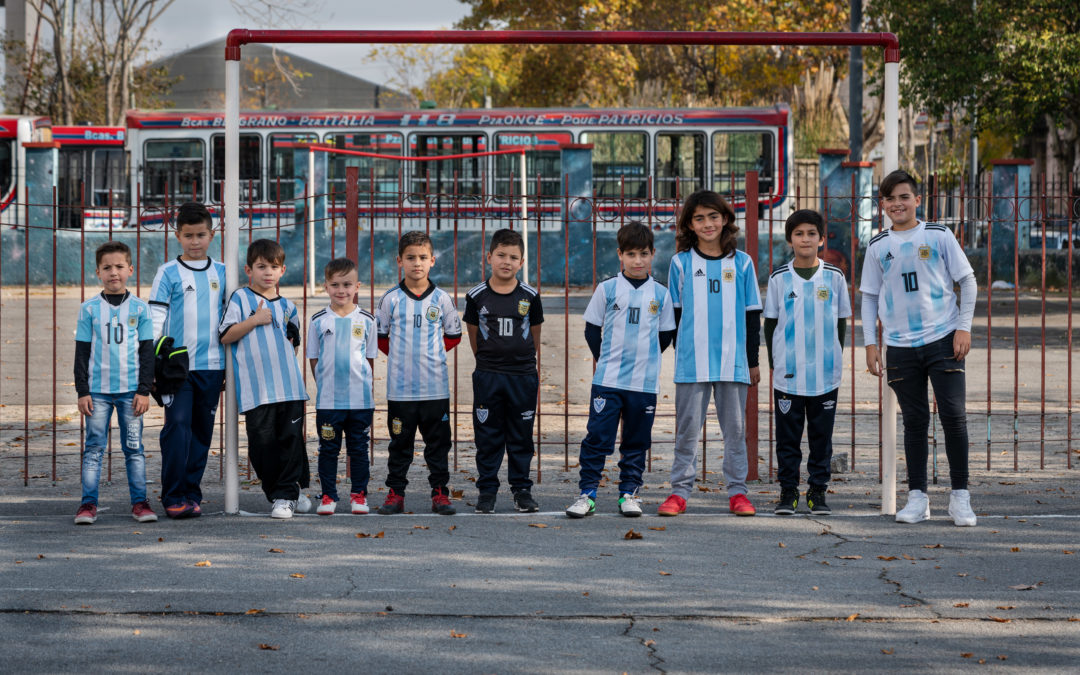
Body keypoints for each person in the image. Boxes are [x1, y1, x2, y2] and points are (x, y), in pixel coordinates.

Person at [861, 170, 978, 526]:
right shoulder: (878, 246)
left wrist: (963, 328)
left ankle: (960, 498)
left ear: (917, 200)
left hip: (943, 338)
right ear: (882, 205)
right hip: (899, 345)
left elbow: (967, 281)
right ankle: (917, 498)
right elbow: (868, 297)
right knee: (914, 421)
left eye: (904, 197)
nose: (897, 204)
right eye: (890, 199)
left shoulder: (939, 235)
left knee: (954, 418)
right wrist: (870, 343)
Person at [659, 190, 762, 517]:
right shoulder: (680, 263)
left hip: (733, 363)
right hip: (692, 363)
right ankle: (679, 492)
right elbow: (674, 316)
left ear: (726, 219)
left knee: (735, 430)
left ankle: (738, 493)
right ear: (689, 223)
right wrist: (679, 353)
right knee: (687, 429)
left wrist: (753, 360)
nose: (707, 224)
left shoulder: (743, 263)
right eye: (699, 218)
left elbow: (751, 315)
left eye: (713, 216)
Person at [565, 222, 675, 518]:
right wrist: (606, 359)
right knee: (598, 438)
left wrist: (646, 359)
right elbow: (591, 330)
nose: (637, 260)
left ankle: (629, 493)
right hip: (609, 381)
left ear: (653, 254)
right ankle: (586, 494)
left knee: (636, 441)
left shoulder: (661, 294)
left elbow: (665, 336)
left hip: (644, 384)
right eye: (630, 254)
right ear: (620, 255)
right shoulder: (608, 289)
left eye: (643, 254)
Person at [763, 209, 851, 516]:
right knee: (788, 438)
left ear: (822, 239)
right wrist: (776, 362)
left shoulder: (835, 277)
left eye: (811, 233)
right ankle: (788, 492)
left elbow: (841, 323)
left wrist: (833, 359)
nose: (805, 239)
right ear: (790, 240)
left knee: (820, 438)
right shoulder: (778, 278)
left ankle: (817, 491)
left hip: (825, 374)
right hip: (789, 374)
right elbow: (771, 324)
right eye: (799, 233)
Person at [219, 239, 311, 519]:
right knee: (262, 446)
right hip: (256, 389)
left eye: (273, 267)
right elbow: (225, 335)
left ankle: (286, 495)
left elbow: (292, 344)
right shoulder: (240, 298)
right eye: (261, 266)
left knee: (291, 441)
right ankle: (283, 492)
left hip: (290, 388)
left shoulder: (288, 306)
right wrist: (254, 320)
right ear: (249, 269)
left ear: (282, 270)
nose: (267, 272)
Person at [374, 231, 461, 516]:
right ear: (400, 261)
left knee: (438, 445)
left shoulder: (442, 300)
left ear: (433, 260)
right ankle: (396, 493)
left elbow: (453, 336)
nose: (417, 263)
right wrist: (403, 356)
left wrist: (430, 355)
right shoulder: (391, 299)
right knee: (400, 445)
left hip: (435, 390)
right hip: (401, 390)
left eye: (423, 257)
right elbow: (382, 338)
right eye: (410, 258)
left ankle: (440, 493)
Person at [148, 202, 226, 519]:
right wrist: (148, 364)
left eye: (201, 235)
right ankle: (173, 494)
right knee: (177, 427)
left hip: (212, 366)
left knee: (201, 432)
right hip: (176, 368)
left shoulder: (223, 272)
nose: (195, 242)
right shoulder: (167, 272)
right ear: (177, 235)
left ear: (212, 234)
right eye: (189, 235)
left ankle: (192, 493)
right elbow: (155, 318)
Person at [74, 241, 157, 525]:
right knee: (94, 448)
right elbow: (81, 353)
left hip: (130, 393)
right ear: (98, 272)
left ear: (130, 270)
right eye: (107, 267)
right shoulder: (88, 309)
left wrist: (144, 390)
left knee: (134, 448)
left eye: (119, 266)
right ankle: (87, 505)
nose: (114, 272)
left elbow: (148, 353)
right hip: (96, 393)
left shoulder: (141, 309)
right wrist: (82, 391)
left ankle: (140, 503)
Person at [465, 228, 544, 514]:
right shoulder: (476, 296)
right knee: (488, 435)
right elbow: (473, 335)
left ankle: (522, 490)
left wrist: (521, 360)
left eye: (513, 257)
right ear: (489, 257)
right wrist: (489, 361)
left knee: (521, 435)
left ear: (521, 263)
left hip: (522, 376)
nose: (506, 261)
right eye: (501, 255)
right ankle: (487, 490)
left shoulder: (530, 296)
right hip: (489, 375)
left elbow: (534, 334)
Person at [307, 258, 377, 515]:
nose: (341, 290)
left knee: (358, 449)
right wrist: (326, 385)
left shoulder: (367, 320)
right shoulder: (318, 320)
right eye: (335, 284)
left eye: (347, 284)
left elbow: (369, 359)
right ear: (326, 286)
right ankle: (328, 496)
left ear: (356, 286)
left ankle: (359, 495)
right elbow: (314, 359)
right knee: (328, 450)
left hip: (360, 402)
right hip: (329, 402)